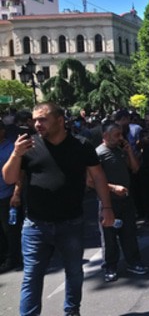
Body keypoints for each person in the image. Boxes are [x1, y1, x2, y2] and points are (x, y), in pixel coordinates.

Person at [2, 102, 114, 316]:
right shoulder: (29, 146)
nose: (36, 124)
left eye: (42, 119)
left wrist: (107, 207)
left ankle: (72, 311)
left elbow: (98, 176)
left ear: (60, 120)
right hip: (35, 225)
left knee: (74, 273)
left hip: (71, 223)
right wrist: (16, 154)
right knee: (32, 277)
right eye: (34, 120)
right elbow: (9, 178)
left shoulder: (81, 145)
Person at [93, 123, 149, 282]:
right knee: (109, 236)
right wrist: (112, 188)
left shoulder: (120, 150)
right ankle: (110, 266)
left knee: (129, 233)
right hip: (108, 202)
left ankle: (134, 261)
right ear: (105, 136)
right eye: (116, 135)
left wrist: (129, 151)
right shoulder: (99, 153)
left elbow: (135, 168)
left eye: (120, 135)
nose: (120, 138)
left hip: (126, 200)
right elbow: (91, 181)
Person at [0, 121, 22, 273]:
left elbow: (20, 173)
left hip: (7, 195)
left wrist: (16, 193)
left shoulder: (11, 148)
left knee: (10, 229)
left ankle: (13, 258)